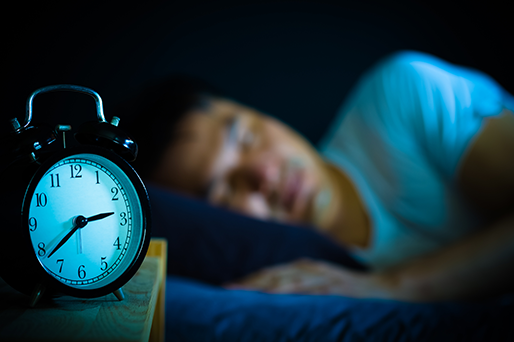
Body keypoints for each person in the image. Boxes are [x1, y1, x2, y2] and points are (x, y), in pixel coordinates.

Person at [126, 51, 514, 302]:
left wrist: (399, 286)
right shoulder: (290, 287)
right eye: (225, 189)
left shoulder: (400, 99)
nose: (263, 174)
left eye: (246, 137)